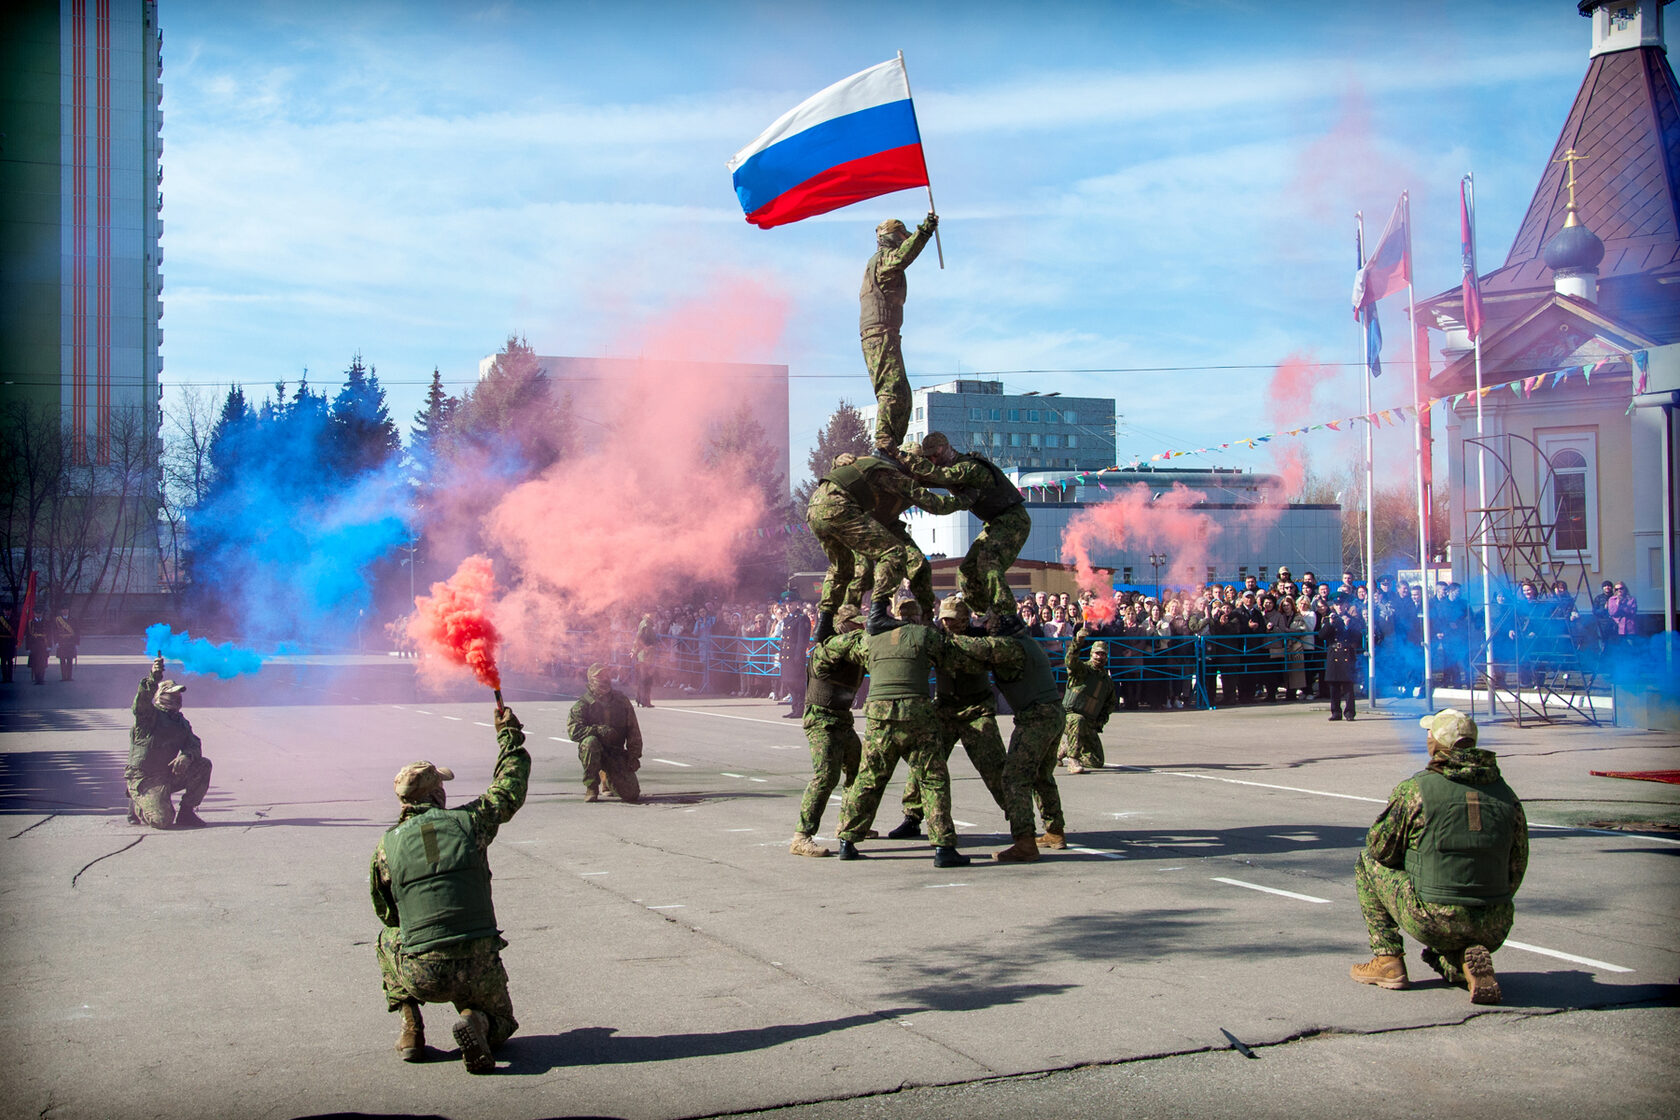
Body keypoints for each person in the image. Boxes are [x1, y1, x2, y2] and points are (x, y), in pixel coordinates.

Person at [371, 705, 530, 1072]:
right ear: (436, 795)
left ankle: (411, 1028)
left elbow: (386, 911)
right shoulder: (469, 823)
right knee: (502, 1022)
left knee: (387, 937)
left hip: (424, 973)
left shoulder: (386, 848)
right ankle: (477, 1020)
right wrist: (509, 735)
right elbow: (509, 787)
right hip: (478, 961)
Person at [1352, 709, 1528, 1005]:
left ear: (1439, 745)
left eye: (1430, 733)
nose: (1427, 737)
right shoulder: (1506, 795)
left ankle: (1388, 959)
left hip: (1434, 916)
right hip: (1495, 922)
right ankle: (1459, 963)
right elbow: (1517, 866)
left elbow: (1380, 848)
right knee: (1451, 937)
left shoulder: (1416, 790)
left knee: (1367, 862)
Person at [835, 599, 983, 867]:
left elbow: (848, 649)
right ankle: (943, 847)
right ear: (916, 618)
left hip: (879, 715)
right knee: (933, 779)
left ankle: (847, 839)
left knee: (870, 778)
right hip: (916, 713)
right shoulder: (925, 635)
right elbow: (954, 657)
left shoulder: (873, 639)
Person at [889, 597, 1010, 842]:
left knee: (994, 765)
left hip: (976, 708)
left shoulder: (980, 637)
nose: (947, 623)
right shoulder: (935, 636)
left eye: (952, 619)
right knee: (923, 764)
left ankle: (1017, 816)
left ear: (965, 619)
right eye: (943, 618)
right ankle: (912, 817)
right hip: (944, 707)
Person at [950, 614, 1069, 862]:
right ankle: (1054, 831)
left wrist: (952, 638)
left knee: (1015, 778)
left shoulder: (1011, 647)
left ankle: (1024, 842)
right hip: (1053, 713)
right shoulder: (1029, 643)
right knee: (1041, 776)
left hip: (1035, 717)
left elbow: (980, 648)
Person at [806, 451, 965, 636]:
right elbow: (934, 504)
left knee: (844, 567)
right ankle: (869, 615)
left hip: (818, 511)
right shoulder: (891, 472)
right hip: (849, 513)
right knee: (884, 558)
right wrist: (966, 500)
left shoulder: (889, 469)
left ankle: (824, 624)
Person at [914, 432, 1032, 624]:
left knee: (988, 562)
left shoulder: (970, 467)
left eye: (934, 455)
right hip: (994, 523)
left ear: (944, 449)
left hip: (1013, 519)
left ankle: (1007, 616)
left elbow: (943, 477)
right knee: (967, 571)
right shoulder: (950, 469)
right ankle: (986, 614)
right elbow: (930, 478)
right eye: (928, 458)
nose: (932, 460)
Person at [791, 605, 866, 857]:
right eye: (855, 624)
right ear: (842, 625)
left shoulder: (855, 650)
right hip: (821, 719)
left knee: (859, 769)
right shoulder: (828, 648)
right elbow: (842, 646)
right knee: (826, 776)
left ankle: (848, 823)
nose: (860, 628)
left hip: (843, 719)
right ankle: (802, 836)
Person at [859, 213, 938, 453]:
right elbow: (904, 255)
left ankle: (893, 444)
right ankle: (883, 444)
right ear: (894, 238)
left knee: (903, 394)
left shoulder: (882, 261)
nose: (905, 241)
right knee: (891, 391)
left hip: (886, 333)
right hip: (879, 334)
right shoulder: (884, 261)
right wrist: (924, 232)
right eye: (903, 237)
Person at [125, 656, 213, 829]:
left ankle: (187, 813)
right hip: (145, 777)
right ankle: (138, 801)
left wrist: (187, 756)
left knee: (203, 765)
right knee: (162, 821)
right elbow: (141, 702)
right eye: (171, 694)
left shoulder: (180, 722)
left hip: (166, 774)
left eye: (178, 695)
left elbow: (194, 743)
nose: (176, 698)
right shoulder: (148, 717)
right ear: (160, 696)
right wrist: (153, 678)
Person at [567, 663, 643, 803]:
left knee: (631, 794)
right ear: (591, 680)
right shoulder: (583, 704)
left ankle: (608, 779)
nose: (605, 679)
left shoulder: (621, 701)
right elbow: (574, 731)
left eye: (607, 675)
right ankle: (591, 786)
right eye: (600, 676)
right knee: (590, 743)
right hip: (594, 751)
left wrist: (634, 756)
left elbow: (633, 730)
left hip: (615, 752)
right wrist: (597, 730)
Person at [1059, 628, 1117, 774]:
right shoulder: (1082, 670)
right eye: (1097, 653)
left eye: (1103, 654)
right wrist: (1077, 642)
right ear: (1091, 654)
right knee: (1077, 720)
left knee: (1096, 761)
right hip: (1069, 717)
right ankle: (1073, 760)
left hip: (1088, 723)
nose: (1100, 657)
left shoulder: (1107, 681)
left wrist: (1100, 722)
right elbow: (1070, 661)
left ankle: (1065, 748)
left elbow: (1109, 705)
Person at [1322, 599, 1364, 721]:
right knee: (1333, 686)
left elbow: (1357, 637)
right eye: (1337, 605)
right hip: (1333, 654)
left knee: (1348, 686)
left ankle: (1350, 712)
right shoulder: (1328, 619)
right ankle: (1336, 712)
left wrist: (1347, 626)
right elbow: (1322, 635)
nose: (1339, 607)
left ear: (1346, 605)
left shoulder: (1353, 620)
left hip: (1346, 654)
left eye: (1341, 604)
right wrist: (1330, 623)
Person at [779, 604, 811, 718]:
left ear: (796, 603)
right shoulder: (787, 618)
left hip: (794, 655)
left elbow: (802, 639)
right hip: (786, 654)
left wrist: (798, 655)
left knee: (797, 683)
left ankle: (800, 709)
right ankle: (794, 707)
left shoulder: (802, 618)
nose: (788, 606)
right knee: (788, 682)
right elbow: (783, 638)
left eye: (790, 604)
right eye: (786, 604)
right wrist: (781, 653)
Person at [633, 612, 658, 708]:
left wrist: (635, 651)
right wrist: (648, 646)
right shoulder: (647, 625)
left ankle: (640, 698)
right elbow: (643, 638)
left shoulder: (643, 623)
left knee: (642, 679)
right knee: (647, 679)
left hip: (642, 656)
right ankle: (645, 700)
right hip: (646, 656)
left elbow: (638, 638)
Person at [53, 608, 78, 681]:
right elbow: (55, 632)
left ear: (68, 610)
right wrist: (56, 642)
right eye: (63, 609)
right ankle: (63, 677)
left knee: (70, 660)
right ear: (61, 611)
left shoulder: (73, 620)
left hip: (70, 642)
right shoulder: (57, 620)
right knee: (62, 660)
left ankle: (69, 677)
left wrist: (77, 643)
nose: (65, 611)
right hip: (62, 642)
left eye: (66, 609)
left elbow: (77, 631)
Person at [27, 613, 50, 685]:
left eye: (40, 613)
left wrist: (49, 645)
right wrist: (28, 647)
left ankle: (42, 678)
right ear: (34, 614)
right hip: (34, 645)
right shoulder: (31, 623)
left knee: (42, 663)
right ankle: (37, 679)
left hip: (43, 645)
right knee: (35, 663)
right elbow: (28, 636)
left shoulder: (46, 622)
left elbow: (49, 634)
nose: (38, 615)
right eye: (37, 613)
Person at [0, 605, 15, 684]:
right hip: (2, 643)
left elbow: (16, 632)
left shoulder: (14, 619)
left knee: (10, 661)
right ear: (3, 611)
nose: (7, 612)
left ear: (11, 611)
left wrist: (16, 642)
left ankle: (10, 677)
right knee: (3, 661)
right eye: (6, 610)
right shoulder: (0, 620)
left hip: (10, 642)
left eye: (9, 610)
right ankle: (4, 677)